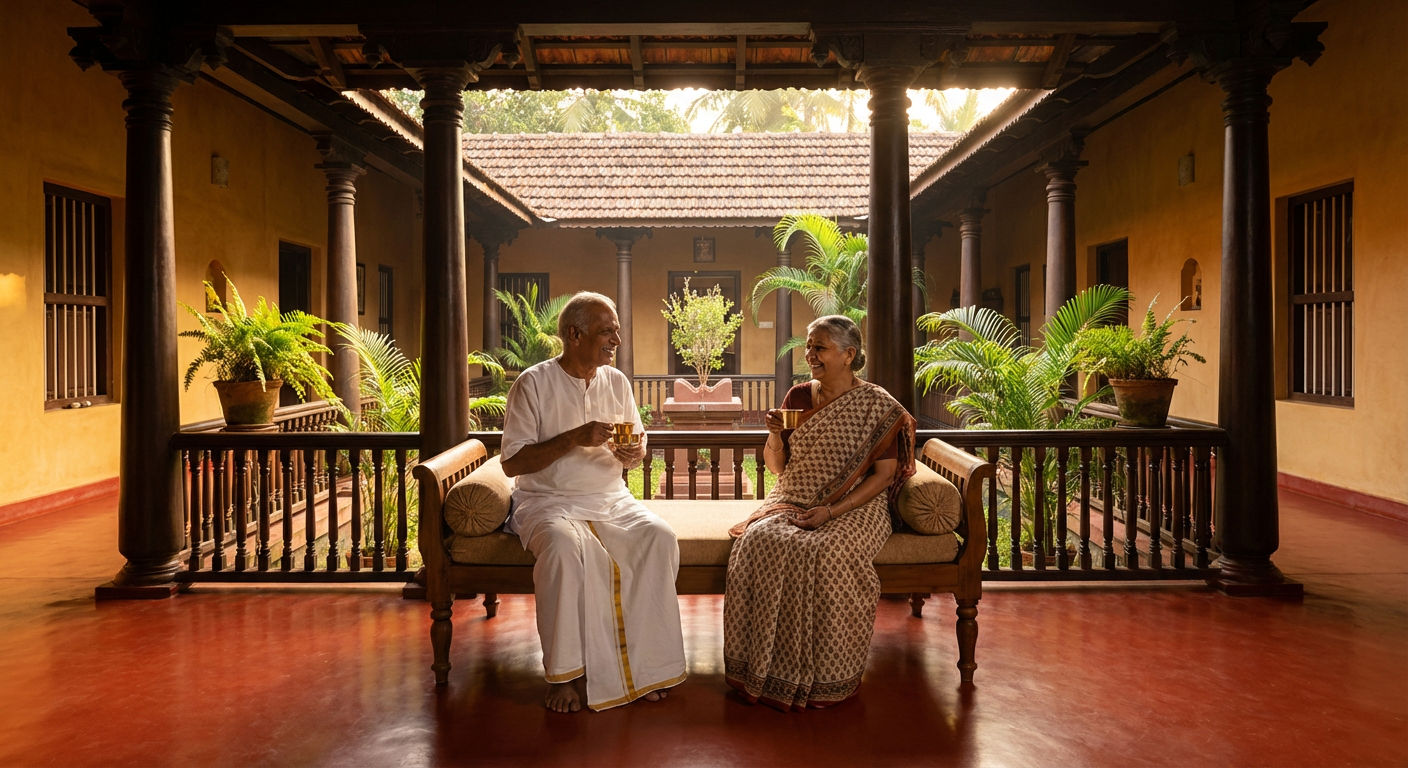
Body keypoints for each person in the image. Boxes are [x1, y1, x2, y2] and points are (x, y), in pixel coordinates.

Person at [500, 292, 686, 713]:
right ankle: (567, 675)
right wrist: (574, 438)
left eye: (616, 330)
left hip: (609, 497)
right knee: (564, 550)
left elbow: (638, 444)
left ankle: (648, 667)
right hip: (546, 502)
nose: (616, 339)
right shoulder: (532, 383)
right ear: (573, 334)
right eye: (607, 331)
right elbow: (512, 463)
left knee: (659, 537)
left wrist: (633, 453)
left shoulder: (616, 382)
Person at [723, 314, 916, 711]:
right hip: (795, 493)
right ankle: (761, 671)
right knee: (757, 540)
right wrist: (774, 434)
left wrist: (831, 512)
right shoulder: (796, 398)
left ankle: (828, 677)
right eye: (808, 346)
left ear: (849, 355)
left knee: (828, 552)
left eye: (820, 347)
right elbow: (779, 469)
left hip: (859, 504)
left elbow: (883, 475)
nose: (810, 354)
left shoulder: (875, 405)